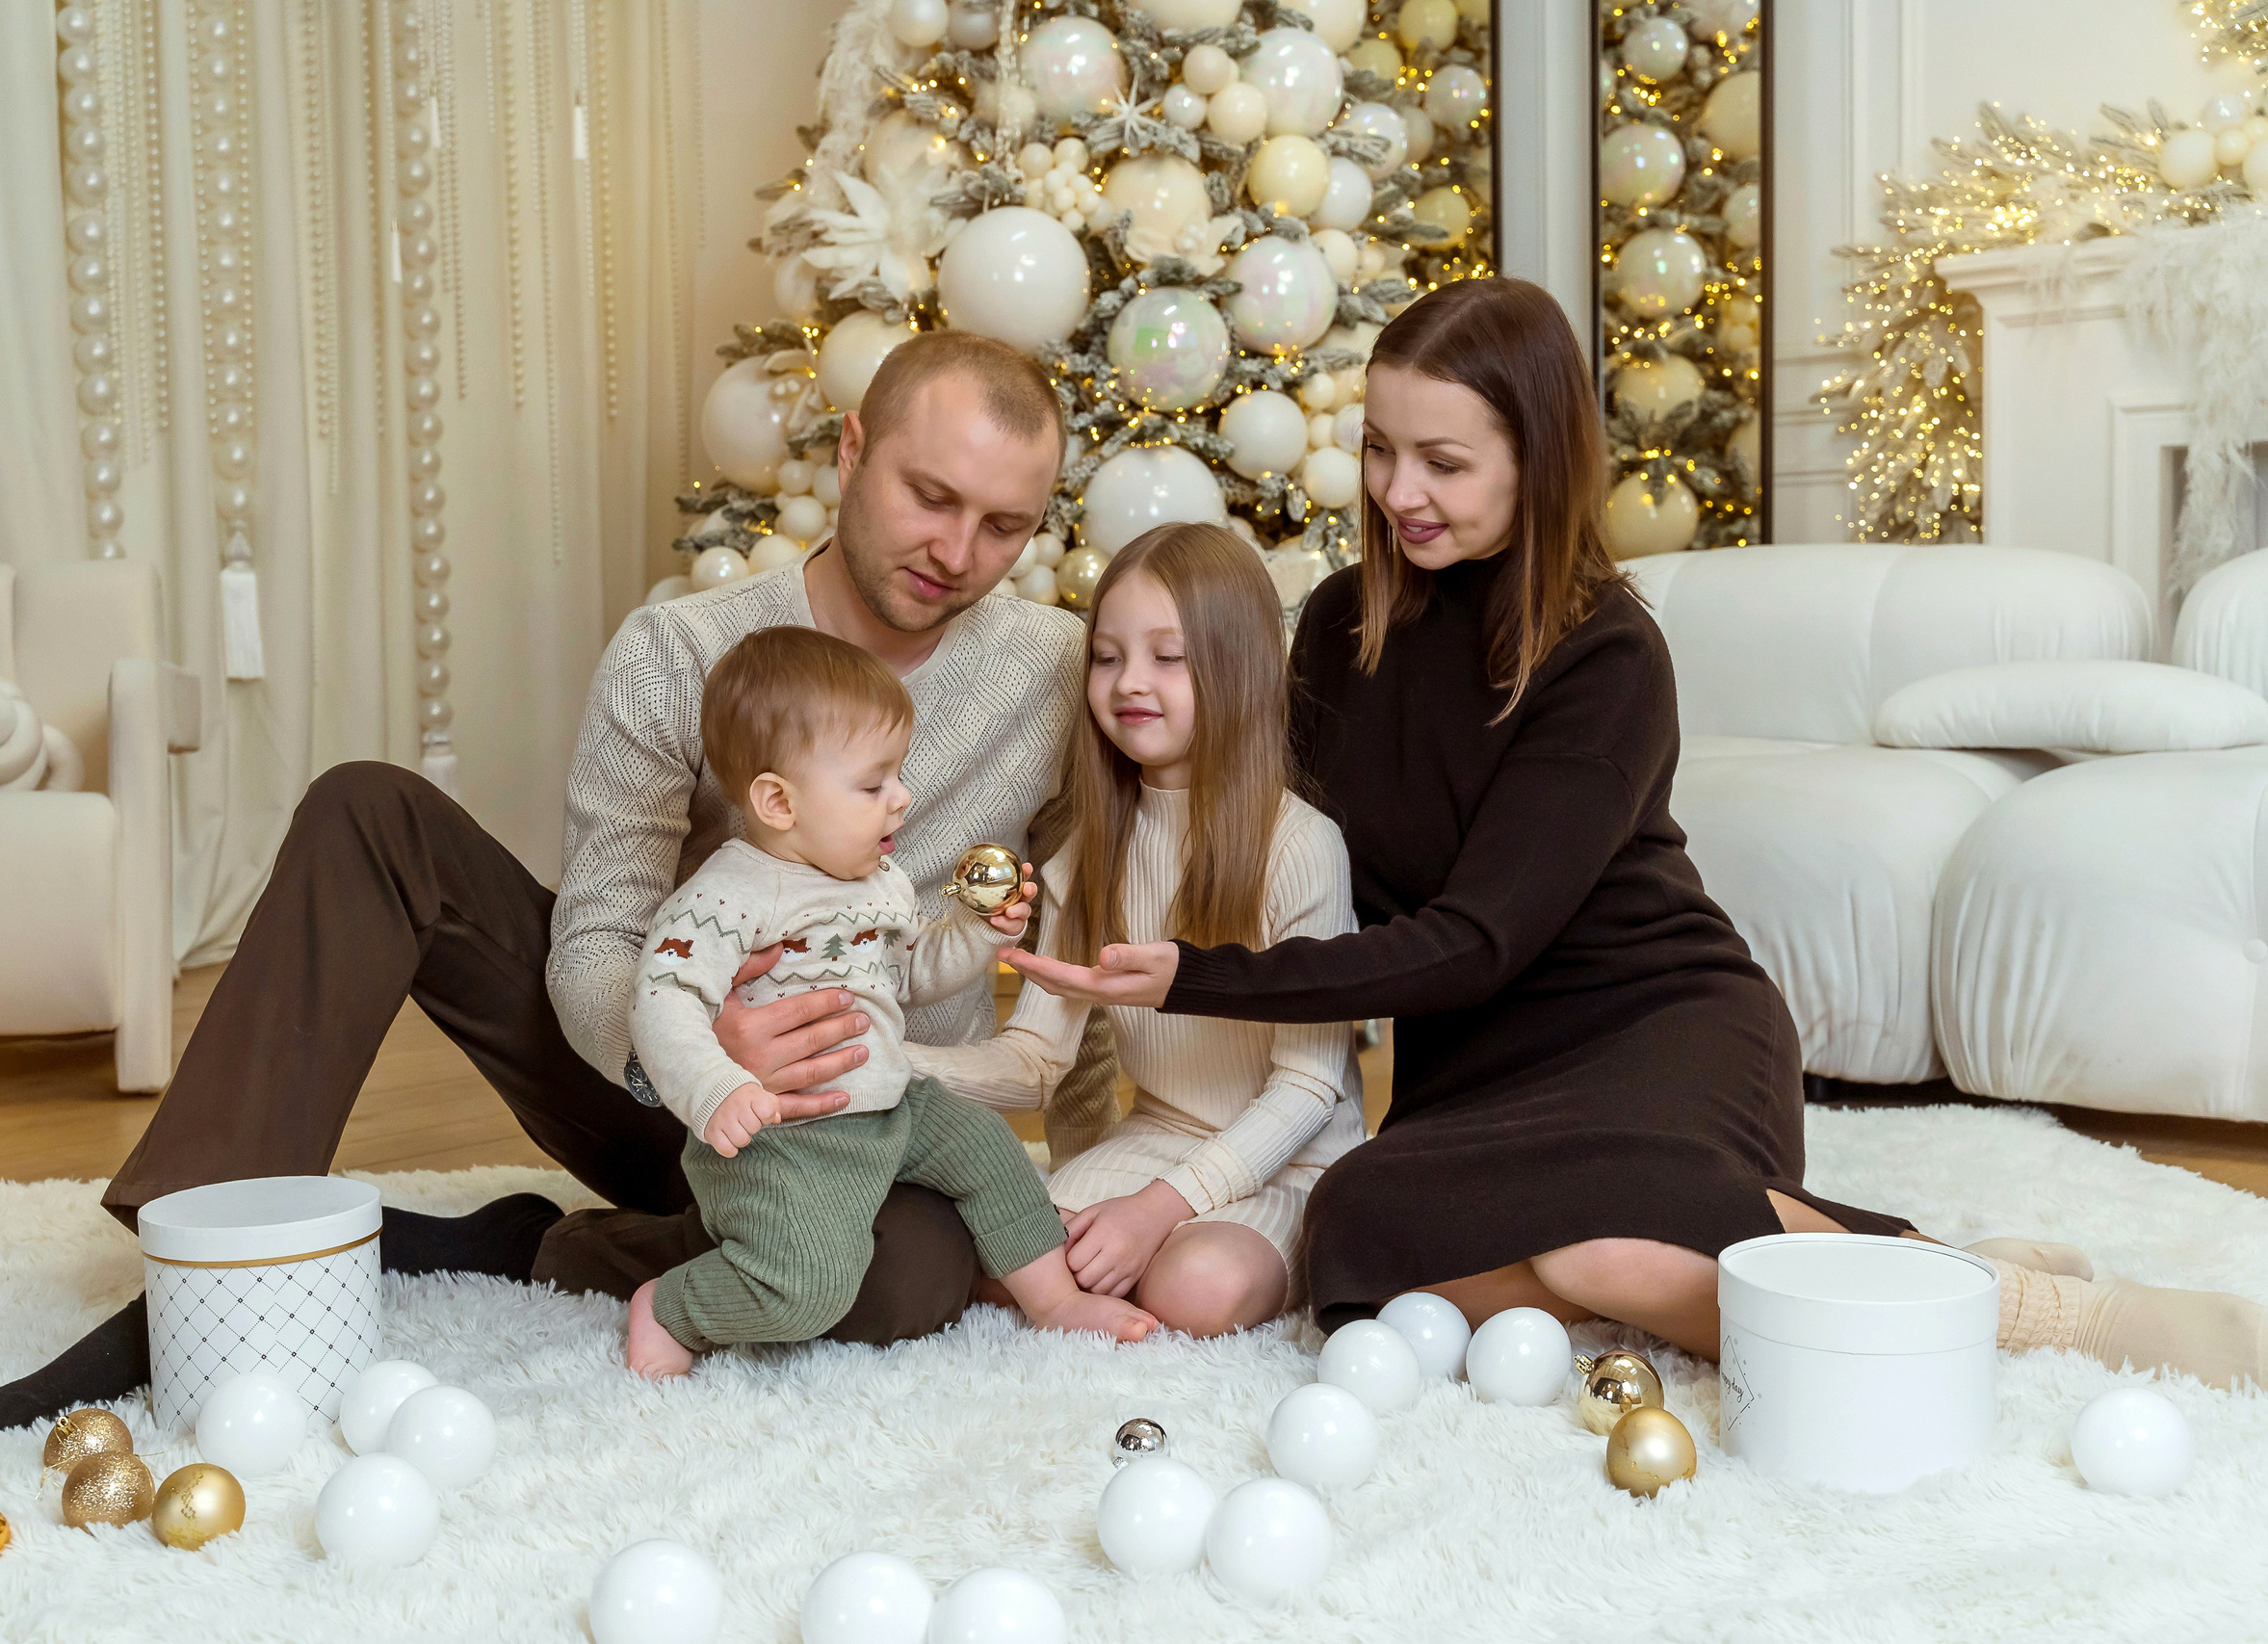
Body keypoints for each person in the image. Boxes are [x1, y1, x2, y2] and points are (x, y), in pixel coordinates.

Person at [1004, 276, 2268, 1390]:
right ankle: (1880, 1272)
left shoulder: (1607, 652)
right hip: (1473, 1075)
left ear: (1537, 459)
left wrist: (1199, 974)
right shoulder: (1340, 627)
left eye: (1443, 461)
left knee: (1607, 1245)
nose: (1397, 492)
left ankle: (2044, 1314)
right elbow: (1261, 827)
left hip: (1653, 1023)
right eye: (1380, 450)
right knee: (1355, 1230)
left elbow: (1479, 940)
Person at [0, 330, 1120, 1431]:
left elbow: (1098, 937)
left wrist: (1091, 1178)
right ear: (853, 449)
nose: (957, 553)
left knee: (907, 1280)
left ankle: (525, 1246)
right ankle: (207, 1267)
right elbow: (602, 930)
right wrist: (692, 1052)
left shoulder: (1059, 673)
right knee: (371, 810)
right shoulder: (678, 650)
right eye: (930, 497)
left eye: (1003, 526)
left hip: (865, 1124)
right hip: (651, 1083)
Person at [622, 626, 1154, 1376]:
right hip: (787, 1133)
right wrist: (717, 1087)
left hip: (891, 1103)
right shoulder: (726, 898)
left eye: (898, 775)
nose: (902, 798)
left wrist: (976, 932)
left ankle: (1055, 1301)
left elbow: (906, 974)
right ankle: (671, 1305)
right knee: (808, 1287)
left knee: (988, 1147)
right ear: (777, 801)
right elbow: (662, 999)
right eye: (874, 786)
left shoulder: (876, 882)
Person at [916, 524, 1362, 1338]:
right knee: (991, 1254)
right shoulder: (1089, 849)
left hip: (1290, 1158)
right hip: (1156, 1135)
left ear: (1239, 667)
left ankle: (1184, 1253)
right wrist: (888, 1061)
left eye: (1169, 656)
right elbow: (1036, 1061)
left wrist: (1156, 1211)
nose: (1129, 682)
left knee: (1195, 1287)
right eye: (1107, 656)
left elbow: (1308, 1086)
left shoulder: (1302, 845)